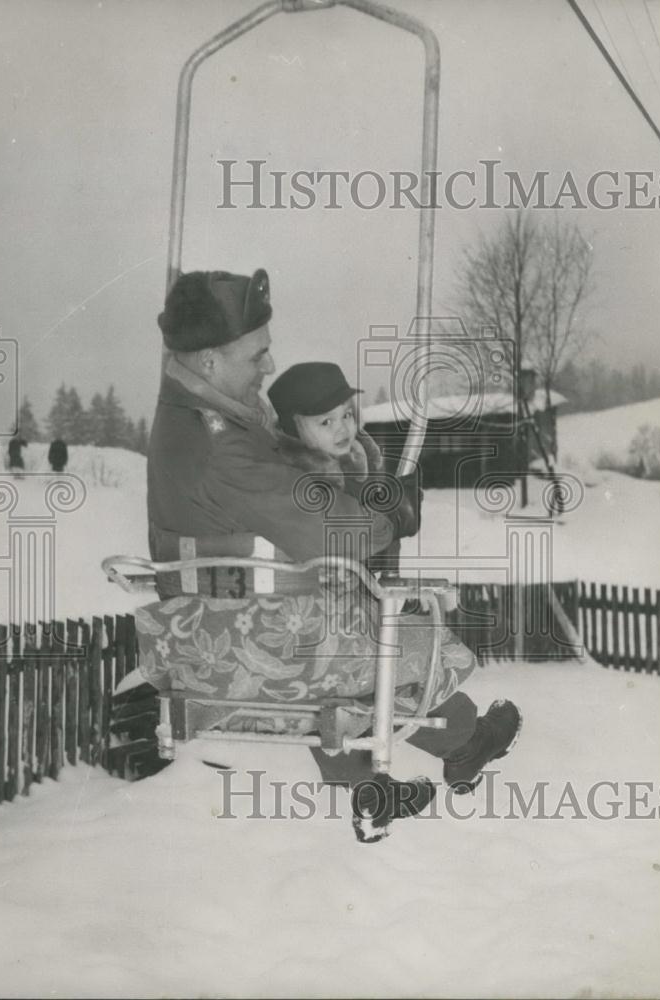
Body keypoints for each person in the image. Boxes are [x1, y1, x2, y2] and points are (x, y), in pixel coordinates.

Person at [146, 268, 521, 841]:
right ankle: (466, 741)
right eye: (257, 356)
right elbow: (329, 529)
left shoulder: (197, 422)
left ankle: (386, 777)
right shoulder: (219, 445)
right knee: (408, 633)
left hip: (227, 625)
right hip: (249, 640)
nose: (268, 367)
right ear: (209, 362)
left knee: (366, 627)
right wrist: (390, 514)